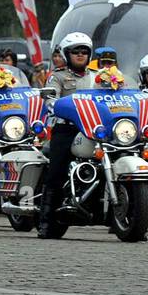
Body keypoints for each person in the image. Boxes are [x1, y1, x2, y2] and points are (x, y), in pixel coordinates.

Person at [37, 32, 96, 239]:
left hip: (96, 130)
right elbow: (50, 97)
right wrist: (53, 104)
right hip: (67, 128)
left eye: (84, 51)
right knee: (57, 172)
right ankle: (46, 221)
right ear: (66, 54)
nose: (80, 55)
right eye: (75, 52)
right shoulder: (58, 76)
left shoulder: (99, 77)